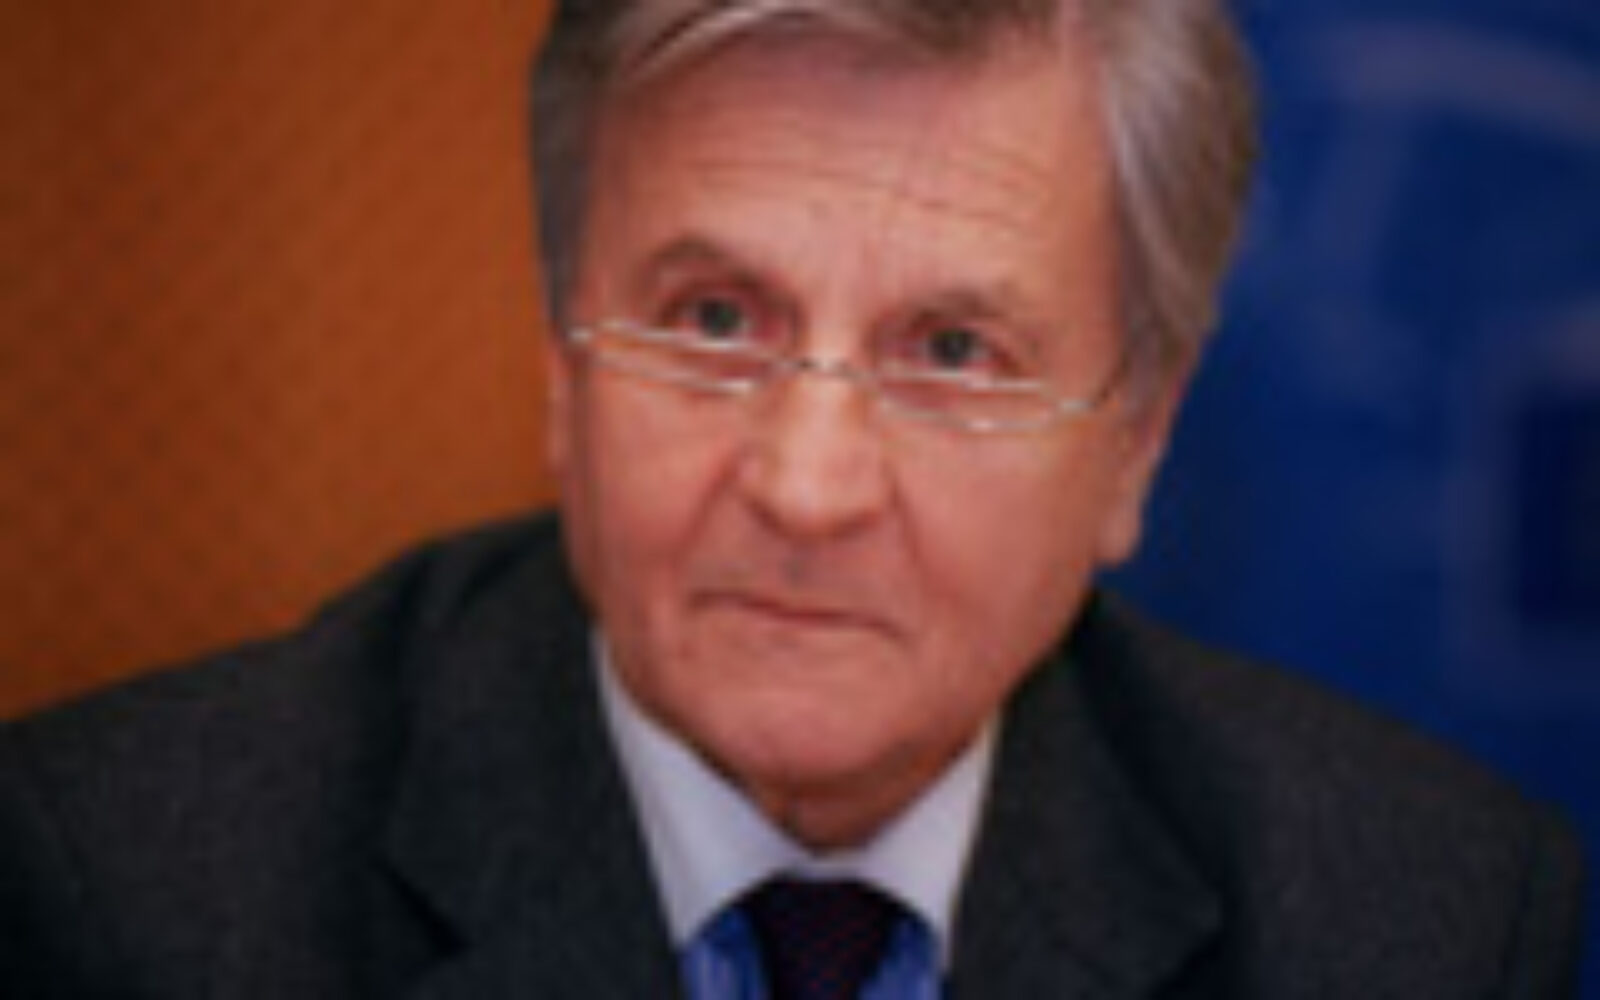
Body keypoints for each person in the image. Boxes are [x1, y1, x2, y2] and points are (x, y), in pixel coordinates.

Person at [1, 0, 1586, 995]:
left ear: (1136, 445)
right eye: (711, 320)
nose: (808, 486)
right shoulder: (133, 896)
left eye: (953, 352)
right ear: (560, 368)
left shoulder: (1417, 923)